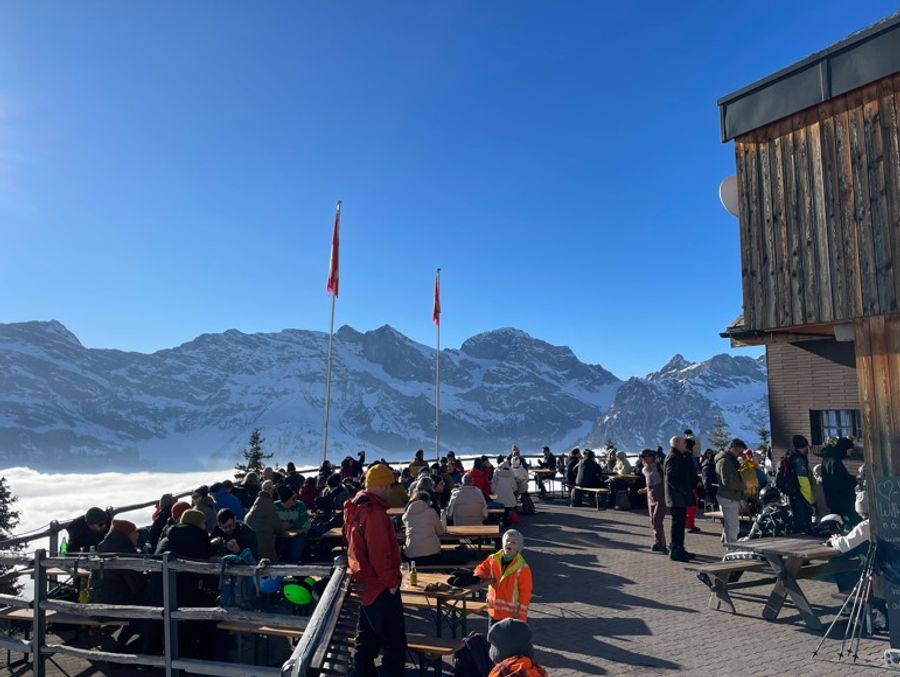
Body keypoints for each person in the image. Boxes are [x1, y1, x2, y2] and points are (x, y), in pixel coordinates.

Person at [343, 463, 406, 677]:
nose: (390, 491)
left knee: (366, 641)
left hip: (363, 582)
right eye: (388, 486)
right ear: (380, 486)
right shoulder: (374, 512)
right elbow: (381, 553)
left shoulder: (355, 507)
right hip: (379, 585)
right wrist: (391, 583)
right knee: (394, 645)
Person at [474, 530, 532, 625]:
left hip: (511, 615)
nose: (509, 543)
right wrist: (478, 575)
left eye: (513, 542)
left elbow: (525, 594)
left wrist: (522, 618)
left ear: (519, 547)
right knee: (491, 639)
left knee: (507, 640)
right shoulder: (493, 559)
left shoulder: (523, 567)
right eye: (507, 541)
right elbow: (482, 568)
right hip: (493, 611)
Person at [664, 435, 696, 562]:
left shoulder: (679, 456)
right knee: (677, 524)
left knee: (680, 523)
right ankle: (676, 549)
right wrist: (684, 490)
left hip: (679, 497)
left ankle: (679, 548)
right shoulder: (673, 457)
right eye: (683, 443)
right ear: (677, 444)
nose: (685, 445)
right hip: (676, 497)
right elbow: (671, 478)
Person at [781, 435, 816, 533]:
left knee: (796, 521)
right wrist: (811, 499)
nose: (807, 449)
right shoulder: (799, 460)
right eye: (806, 446)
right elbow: (803, 481)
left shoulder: (789, 456)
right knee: (803, 522)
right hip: (801, 496)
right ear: (802, 446)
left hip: (792, 495)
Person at [821, 437, 859, 525]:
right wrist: (855, 480)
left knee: (835, 519)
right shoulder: (835, 461)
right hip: (840, 497)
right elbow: (842, 480)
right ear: (844, 449)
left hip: (831, 496)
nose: (849, 454)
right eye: (849, 451)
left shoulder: (827, 458)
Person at [715, 438, 745, 546]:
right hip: (728, 496)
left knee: (729, 524)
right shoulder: (725, 462)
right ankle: (732, 547)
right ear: (734, 448)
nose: (740, 454)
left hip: (729, 495)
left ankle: (729, 545)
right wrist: (744, 485)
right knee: (733, 526)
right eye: (739, 451)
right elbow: (727, 481)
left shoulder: (729, 460)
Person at [402, 491, 445, 564]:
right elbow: (440, 532)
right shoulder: (431, 512)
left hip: (412, 556)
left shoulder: (406, 516)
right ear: (427, 501)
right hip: (432, 554)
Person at [637, 449, 667, 553]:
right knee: (653, 521)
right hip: (650, 496)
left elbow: (665, 482)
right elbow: (649, 483)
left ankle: (661, 543)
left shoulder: (659, 467)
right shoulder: (644, 469)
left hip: (660, 495)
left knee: (657, 520)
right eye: (644, 457)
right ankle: (659, 542)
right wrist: (644, 490)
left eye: (648, 456)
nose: (645, 458)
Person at [245, 480, 283, 561]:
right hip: (265, 548)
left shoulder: (256, 504)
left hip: (252, 548)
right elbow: (278, 528)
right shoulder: (269, 505)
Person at [274, 485, 310, 563]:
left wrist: (291, 524)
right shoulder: (275, 506)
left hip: (298, 534)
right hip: (280, 534)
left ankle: (293, 566)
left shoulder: (300, 505)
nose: (295, 501)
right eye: (292, 499)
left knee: (296, 545)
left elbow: (304, 521)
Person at [491, 461, 519, 526]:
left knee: (499, 506)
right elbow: (514, 488)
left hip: (498, 499)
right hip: (509, 499)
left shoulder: (496, 474)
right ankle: (507, 519)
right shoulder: (511, 475)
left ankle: (500, 519)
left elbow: (492, 488)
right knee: (508, 506)